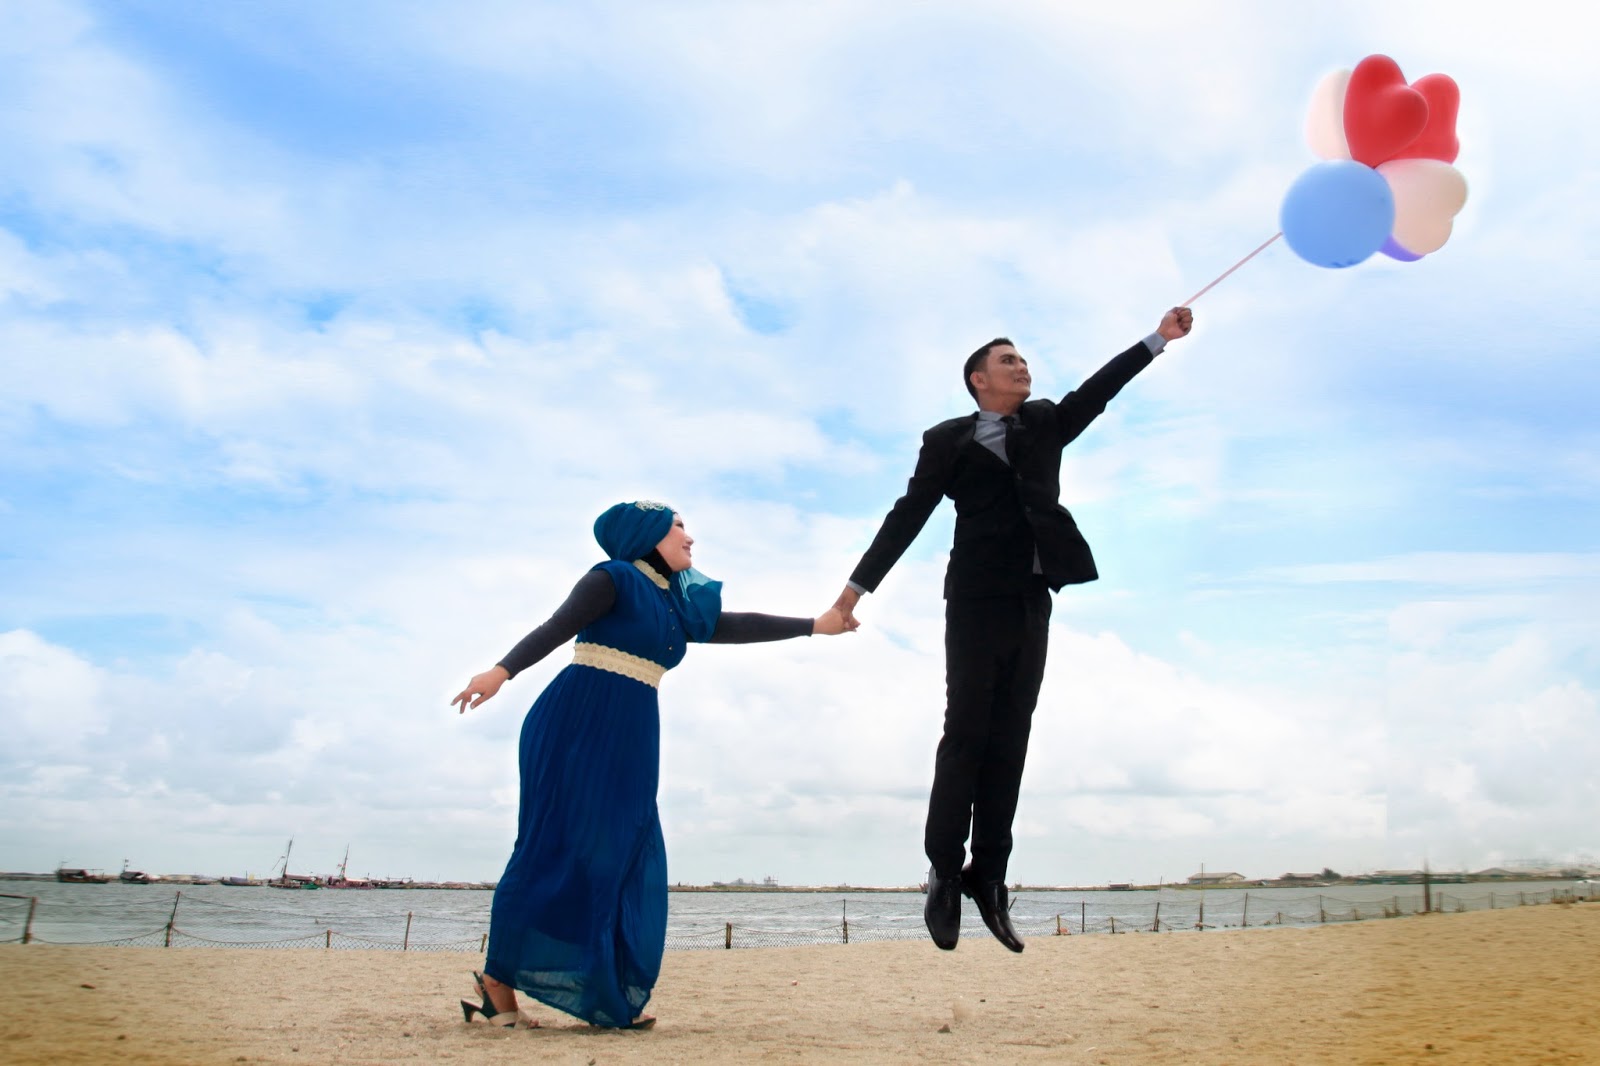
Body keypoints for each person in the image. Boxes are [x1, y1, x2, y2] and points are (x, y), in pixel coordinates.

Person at [832, 307, 1195, 953]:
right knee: (966, 731)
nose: (1022, 366)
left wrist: (1157, 340)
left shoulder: (1046, 423)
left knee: (1011, 740)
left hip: (1032, 597)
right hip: (974, 597)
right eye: (1008, 360)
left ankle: (989, 877)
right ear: (978, 379)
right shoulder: (946, 439)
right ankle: (945, 872)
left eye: (1023, 359)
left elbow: (1098, 391)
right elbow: (908, 514)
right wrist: (854, 592)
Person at [452, 500, 852, 1029]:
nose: (690, 537)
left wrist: (814, 625)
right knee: (553, 847)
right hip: (578, 722)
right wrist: (501, 671)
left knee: (618, 855)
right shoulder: (613, 578)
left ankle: (602, 993)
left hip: (634, 732)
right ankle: (499, 981)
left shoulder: (675, 603)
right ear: (647, 535)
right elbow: (558, 625)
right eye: (678, 527)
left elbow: (732, 625)